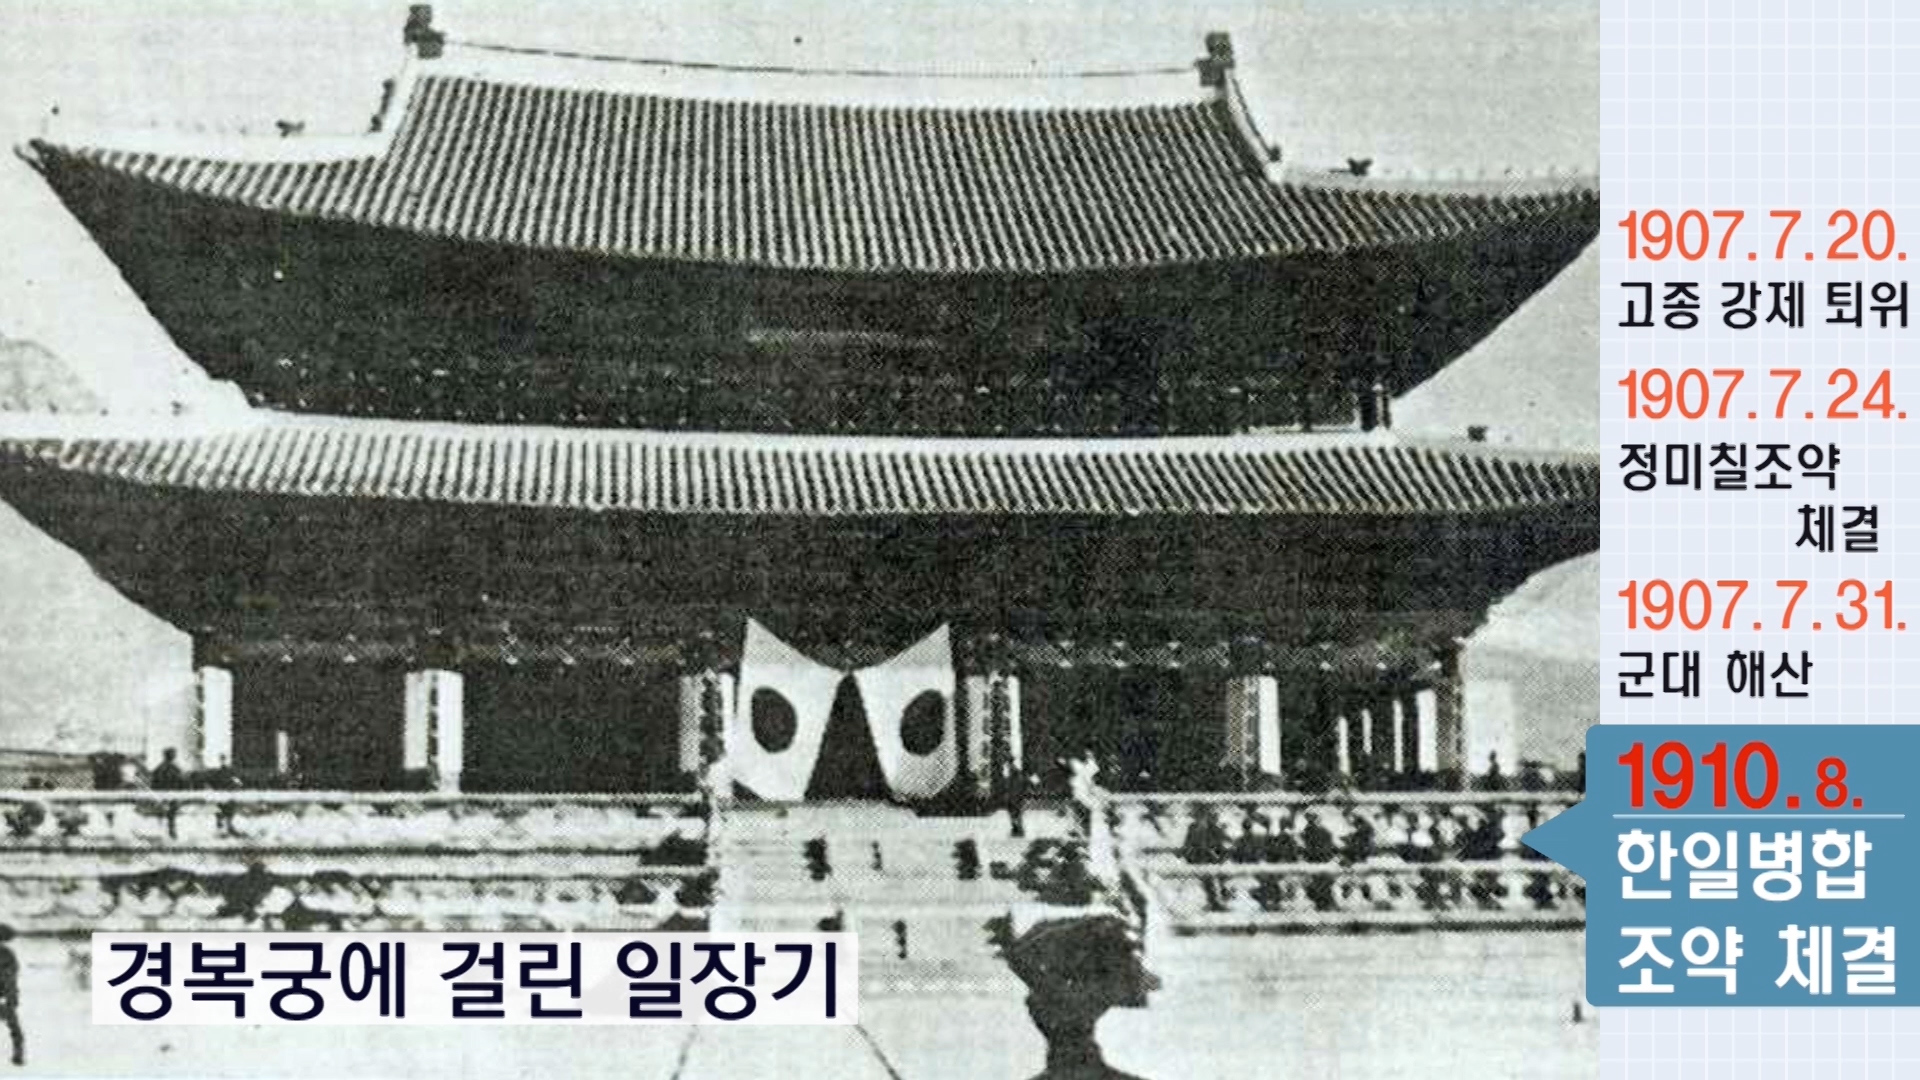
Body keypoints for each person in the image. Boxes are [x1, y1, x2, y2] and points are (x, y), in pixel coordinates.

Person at [0, 923, 22, 1067]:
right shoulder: (7, 954)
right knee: (14, 1028)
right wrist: (12, 998)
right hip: (4, 997)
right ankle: (18, 1055)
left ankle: (18, 1054)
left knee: (14, 1028)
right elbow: (10, 978)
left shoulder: (7, 954)